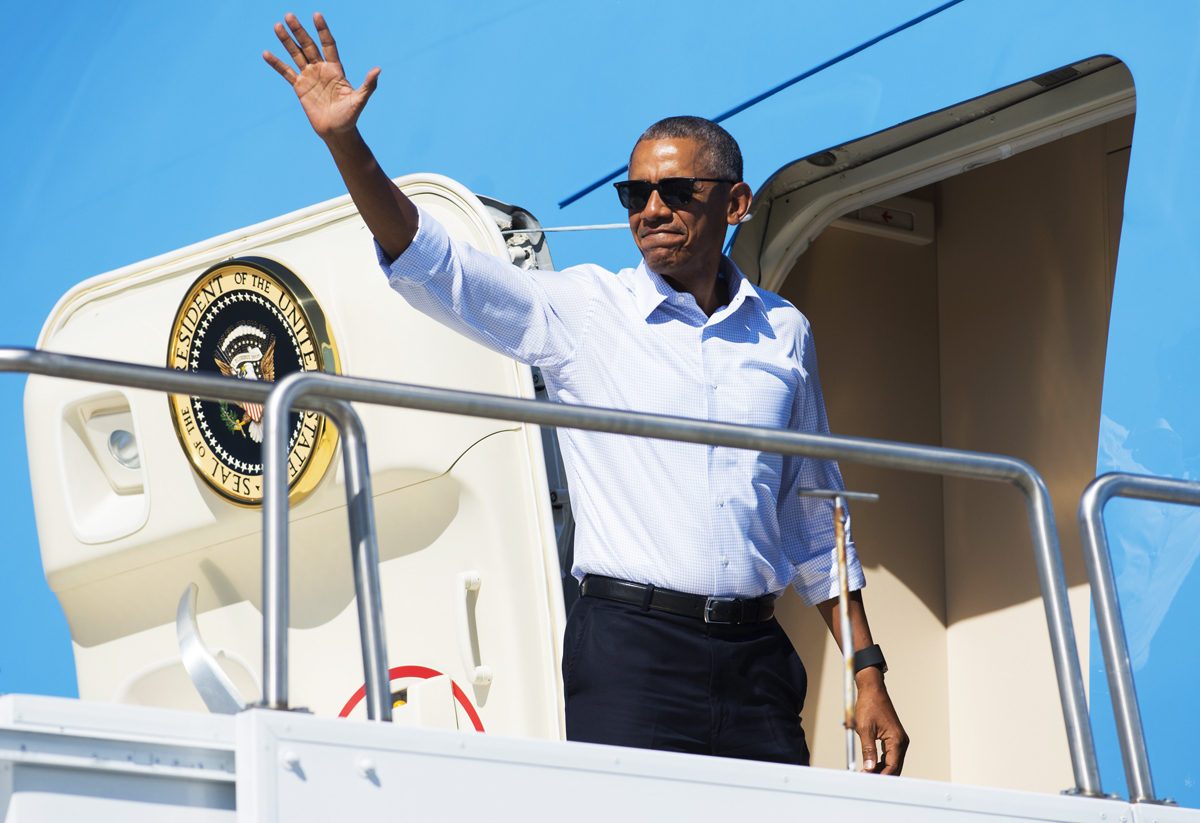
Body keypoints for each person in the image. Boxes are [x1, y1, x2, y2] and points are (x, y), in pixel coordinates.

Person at [264, 12, 908, 773]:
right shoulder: (584, 310)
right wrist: (347, 143)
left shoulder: (783, 333)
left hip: (757, 656)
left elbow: (813, 516)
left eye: (675, 190)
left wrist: (867, 667)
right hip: (630, 650)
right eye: (635, 192)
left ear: (734, 204)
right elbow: (438, 266)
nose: (650, 209)